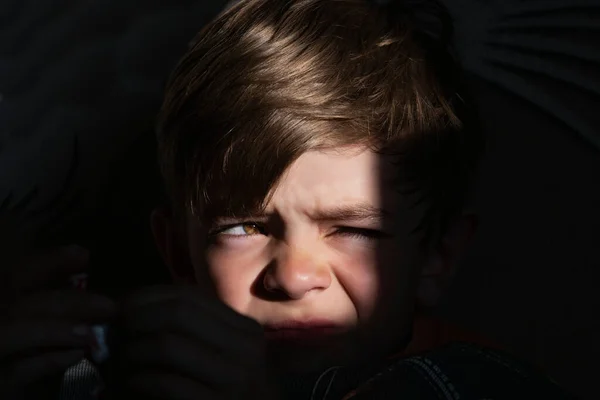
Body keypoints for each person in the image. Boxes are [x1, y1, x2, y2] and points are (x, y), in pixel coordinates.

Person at [0, 0, 576, 399]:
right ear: (178, 255)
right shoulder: (101, 376)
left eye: (356, 230)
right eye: (244, 227)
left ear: (436, 258)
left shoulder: (472, 385)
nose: (295, 275)